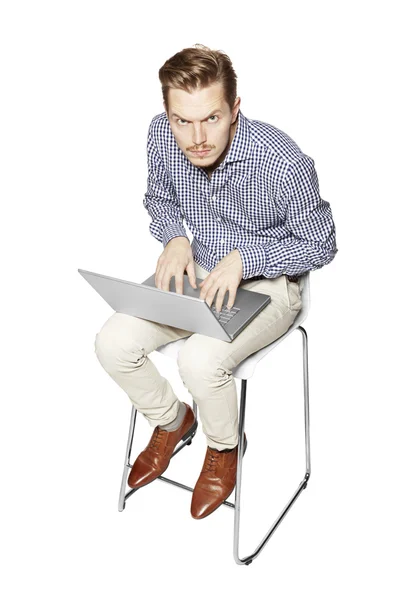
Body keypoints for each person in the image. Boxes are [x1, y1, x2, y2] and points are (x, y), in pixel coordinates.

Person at [94, 44, 337, 520]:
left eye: (211, 118)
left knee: (199, 361)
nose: (197, 137)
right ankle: (173, 421)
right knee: (112, 342)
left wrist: (248, 258)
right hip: (196, 270)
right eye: (182, 121)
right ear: (167, 113)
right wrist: (174, 238)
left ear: (235, 109)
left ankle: (224, 447)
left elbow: (323, 244)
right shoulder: (162, 135)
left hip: (270, 283)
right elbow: (158, 197)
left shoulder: (283, 161)